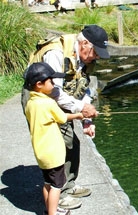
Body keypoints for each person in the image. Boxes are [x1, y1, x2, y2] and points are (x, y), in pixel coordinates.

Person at [21, 25, 110, 210]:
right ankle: (59, 194)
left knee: (72, 142)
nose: (97, 57)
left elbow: (83, 88)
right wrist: (81, 110)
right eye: (96, 52)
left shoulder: (85, 58)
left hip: (56, 97)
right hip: (39, 98)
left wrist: (87, 119)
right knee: (60, 144)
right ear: (84, 43)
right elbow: (55, 92)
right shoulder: (56, 53)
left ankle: (67, 185)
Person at [24, 62, 85, 215]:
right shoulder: (48, 103)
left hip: (41, 153)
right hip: (53, 154)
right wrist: (78, 115)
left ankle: (50, 209)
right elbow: (63, 118)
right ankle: (53, 213)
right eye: (51, 81)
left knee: (47, 183)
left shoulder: (30, 104)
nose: (53, 84)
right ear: (39, 84)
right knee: (57, 186)